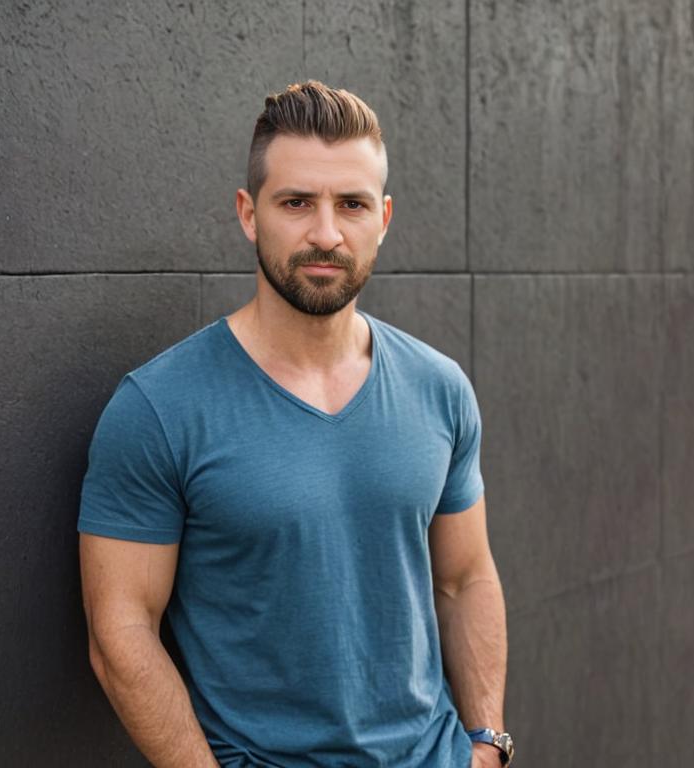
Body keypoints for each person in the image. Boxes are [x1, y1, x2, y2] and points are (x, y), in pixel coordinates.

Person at [78, 81, 512, 768]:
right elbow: (121, 633)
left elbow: (465, 579)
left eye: (352, 204)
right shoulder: (159, 408)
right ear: (250, 214)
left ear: (384, 217)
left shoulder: (440, 388)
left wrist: (487, 742)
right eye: (297, 202)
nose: (326, 233)